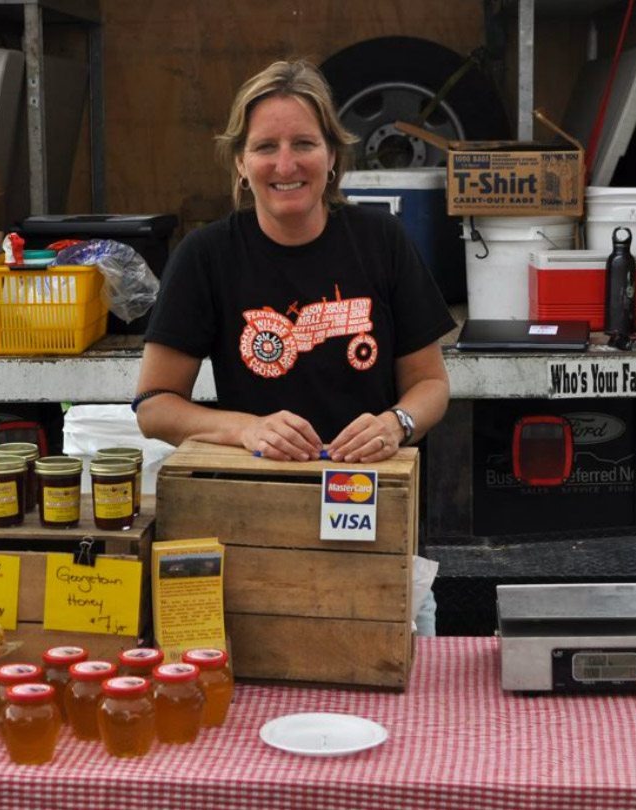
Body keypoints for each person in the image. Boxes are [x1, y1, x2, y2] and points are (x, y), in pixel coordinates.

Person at [134, 59, 455, 635]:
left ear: (333, 155)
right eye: (265, 147)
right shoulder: (206, 257)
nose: (285, 165)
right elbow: (154, 405)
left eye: (304, 143)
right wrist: (246, 430)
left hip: (374, 518)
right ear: (240, 162)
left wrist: (396, 422)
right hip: (257, 532)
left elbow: (431, 385)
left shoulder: (381, 242)